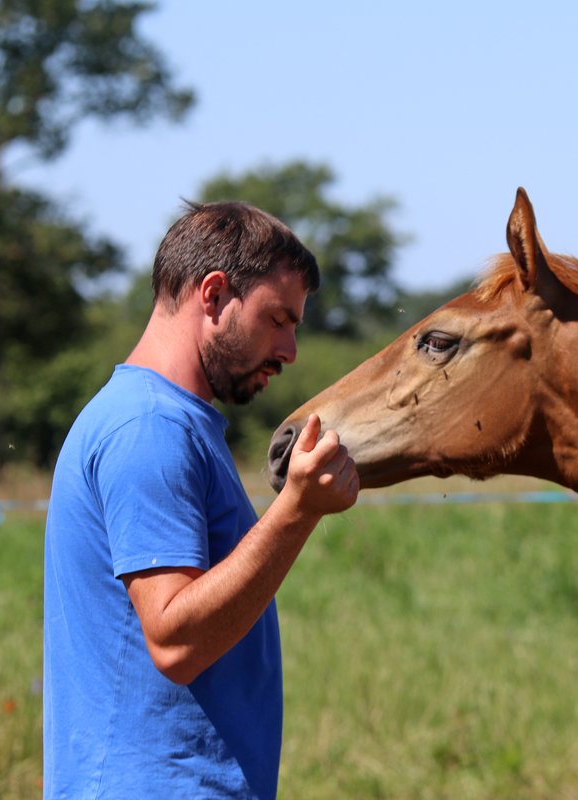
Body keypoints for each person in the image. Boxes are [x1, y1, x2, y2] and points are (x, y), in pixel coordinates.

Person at [43, 201, 360, 799]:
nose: (290, 350)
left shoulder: (172, 423)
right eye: (278, 319)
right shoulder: (149, 428)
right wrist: (298, 510)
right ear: (213, 296)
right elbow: (175, 643)